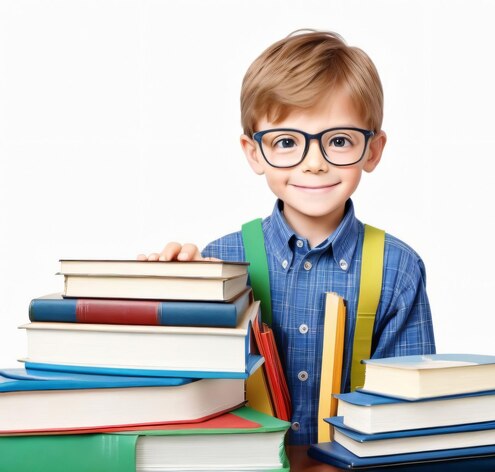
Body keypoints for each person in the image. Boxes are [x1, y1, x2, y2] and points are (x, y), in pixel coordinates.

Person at [138, 30, 436, 445]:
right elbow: (186, 396)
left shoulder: (398, 267)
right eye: (286, 142)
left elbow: (411, 416)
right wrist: (170, 297)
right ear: (253, 152)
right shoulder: (221, 259)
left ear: (372, 150)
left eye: (338, 140)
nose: (314, 163)